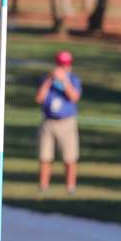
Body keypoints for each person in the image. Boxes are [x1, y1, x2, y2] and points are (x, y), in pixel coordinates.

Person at [35, 50, 82, 193]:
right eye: (61, 64)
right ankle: (43, 186)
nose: (63, 67)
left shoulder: (73, 80)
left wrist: (64, 81)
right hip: (49, 121)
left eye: (66, 64)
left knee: (70, 157)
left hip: (66, 122)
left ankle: (70, 186)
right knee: (45, 156)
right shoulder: (47, 80)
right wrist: (49, 81)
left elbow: (74, 97)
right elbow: (39, 98)